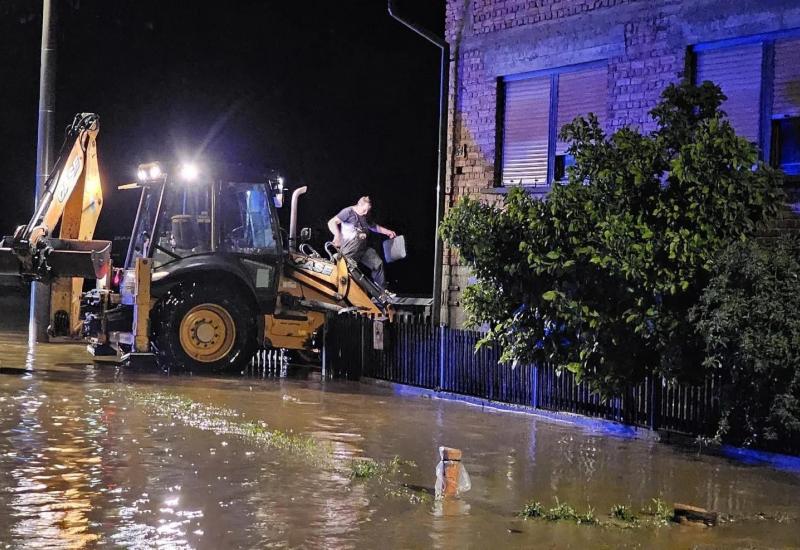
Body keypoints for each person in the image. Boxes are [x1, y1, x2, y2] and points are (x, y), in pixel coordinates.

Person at [328, 196, 396, 290]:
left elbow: (374, 227)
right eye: (364, 210)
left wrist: (388, 232)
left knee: (377, 264)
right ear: (359, 205)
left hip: (363, 249)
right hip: (349, 251)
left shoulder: (366, 215)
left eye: (368, 210)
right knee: (346, 274)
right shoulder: (348, 212)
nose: (366, 213)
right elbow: (331, 222)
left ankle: (382, 292)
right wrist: (337, 235)